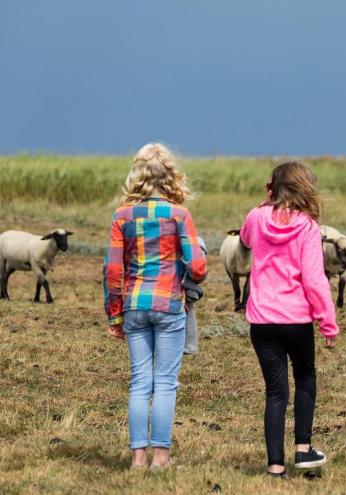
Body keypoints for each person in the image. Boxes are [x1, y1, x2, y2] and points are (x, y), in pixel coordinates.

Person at [103, 143, 207, 470]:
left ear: (137, 176)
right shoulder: (180, 216)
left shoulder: (122, 217)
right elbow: (198, 266)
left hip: (134, 304)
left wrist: (114, 314)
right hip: (169, 304)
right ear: (171, 176)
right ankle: (160, 458)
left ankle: (137, 458)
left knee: (139, 382)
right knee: (165, 382)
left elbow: (113, 271)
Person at [239, 161, 339, 477]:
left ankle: (275, 465)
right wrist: (327, 320)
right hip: (296, 320)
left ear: (272, 188)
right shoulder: (308, 227)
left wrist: (264, 203)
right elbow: (313, 278)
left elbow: (244, 239)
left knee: (275, 391)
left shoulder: (256, 218)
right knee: (305, 377)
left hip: (263, 321)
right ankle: (303, 449)